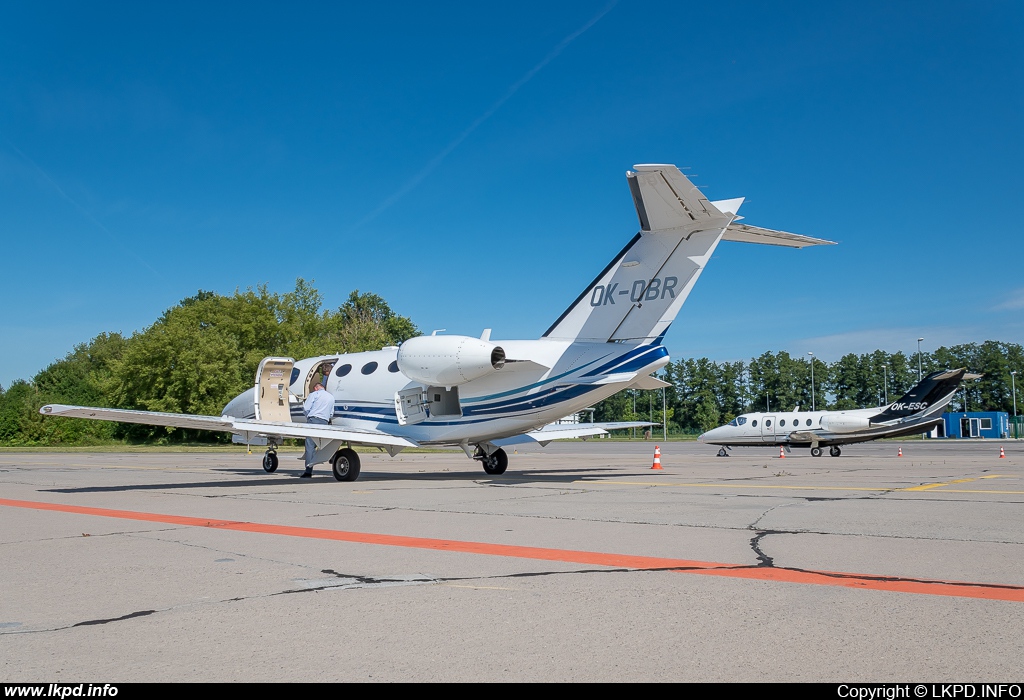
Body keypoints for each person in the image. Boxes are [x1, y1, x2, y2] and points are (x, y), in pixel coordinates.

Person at [300, 382, 335, 478]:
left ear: (316, 388)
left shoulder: (314, 394)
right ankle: (332, 456)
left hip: (313, 419)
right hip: (324, 421)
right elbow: (331, 413)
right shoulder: (331, 397)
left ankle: (308, 470)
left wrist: (309, 417)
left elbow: (306, 408)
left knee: (310, 446)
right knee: (322, 444)